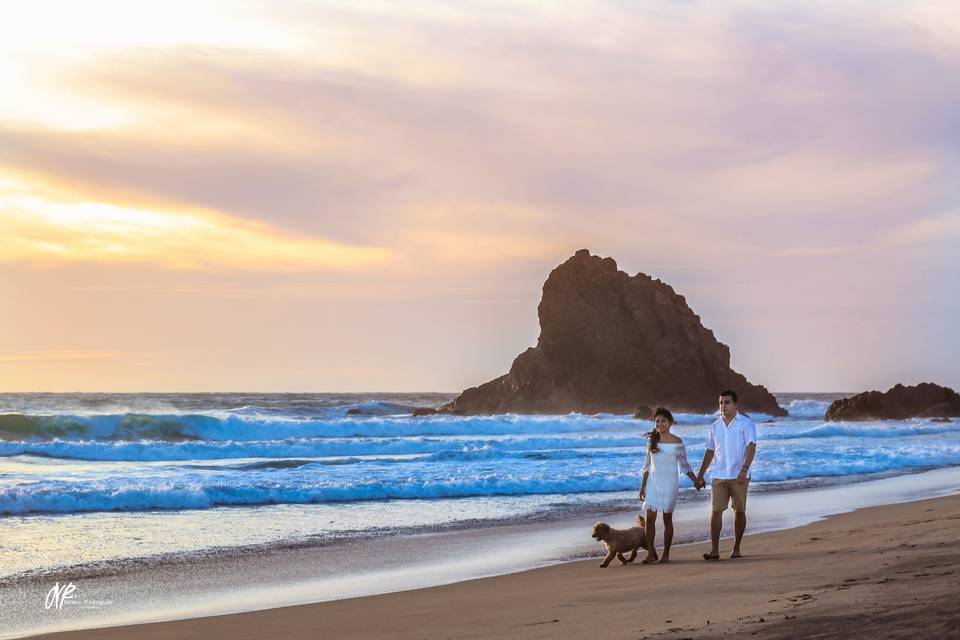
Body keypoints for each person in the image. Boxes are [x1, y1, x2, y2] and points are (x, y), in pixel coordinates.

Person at [695, 390, 757, 560]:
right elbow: (709, 451)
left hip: (740, 475)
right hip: (719, 474)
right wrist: (700, 475)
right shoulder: (715, 426)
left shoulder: (746, 423)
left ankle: (736, 548)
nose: (723, 406)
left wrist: (744, 469)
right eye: (721, 402)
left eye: (727, 402)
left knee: (739, 511)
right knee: (715, 511)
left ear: (735, 404)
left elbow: (751, 447)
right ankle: (714, 550)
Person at [638, 406, 699, 564]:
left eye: (663, 421)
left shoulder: (677, 442)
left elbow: (685, 465)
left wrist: (696, 480)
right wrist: (643, 486)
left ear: (670, 423)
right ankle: (651, 553)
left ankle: (666, 554)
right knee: (650, 518)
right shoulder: (652, 440)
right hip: (653, 482)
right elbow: (647, 465)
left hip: (670, 484)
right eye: (657, 421)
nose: (660, 424)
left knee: (667, 519)